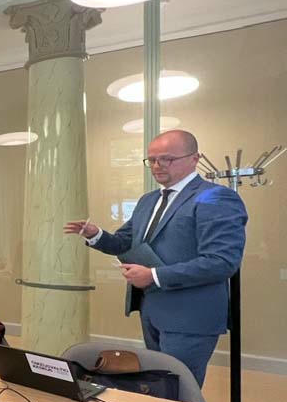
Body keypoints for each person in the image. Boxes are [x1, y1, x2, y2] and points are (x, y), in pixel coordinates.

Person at [64, 129, 247, 387]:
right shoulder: (148, 201)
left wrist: (153, 276)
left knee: (179, 390)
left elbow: (222, 261)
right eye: (151, 160)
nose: (157, 166)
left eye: (167, 159)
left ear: (195, 158)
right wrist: (96, 235)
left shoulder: (216, 197)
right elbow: (125, 242)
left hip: (190, 315)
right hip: (152, 309)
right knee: (159, 387)